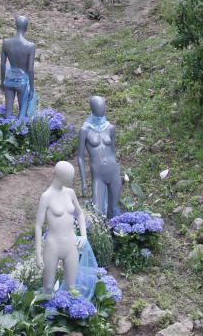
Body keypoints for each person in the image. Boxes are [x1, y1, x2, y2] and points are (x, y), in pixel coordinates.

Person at [35, 161, 88, 294]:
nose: (71, 180)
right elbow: (38, 225)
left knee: (71, 287)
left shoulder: (70, 193)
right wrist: (38, 254)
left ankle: (67, 312)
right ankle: (46, 313)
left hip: (71, 244)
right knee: (47, 287)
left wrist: (83, 235)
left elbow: (80, 214)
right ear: (60, 176)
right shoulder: (46, 197)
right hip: (53, 245)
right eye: (69, 177)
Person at [77, 96, 122, 219]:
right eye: (99, 106)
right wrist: (84, 182)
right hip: (98, 175)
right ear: (92, 108)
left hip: (113, 171)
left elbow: (112, 151)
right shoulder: (84, 130)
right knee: (98, 212)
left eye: (103, 106)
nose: (101, 109)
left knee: (113, 209)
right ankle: (99, 236)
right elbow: (80, 157)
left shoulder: (110, 128)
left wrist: (117, 169)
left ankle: (116, 235)